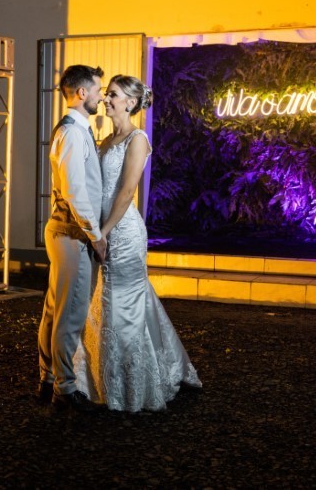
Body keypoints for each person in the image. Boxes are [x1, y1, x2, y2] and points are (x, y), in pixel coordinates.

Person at [73, 75, 202, 412]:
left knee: (124, 307)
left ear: (130, 103)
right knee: (112, 302)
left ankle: (132, 387)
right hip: (101, 230)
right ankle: (108, 377)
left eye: (113, 95)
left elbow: (127, 191)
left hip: (124, 232)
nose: (106, 99)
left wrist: (103, 233)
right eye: (107, 94)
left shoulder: (137, 139)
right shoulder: (104, 140)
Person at [37, 65, 107, 411]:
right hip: (72, 234)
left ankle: (48, 378)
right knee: (69, 313)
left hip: (66, 232)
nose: (101, 96)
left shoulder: (75, 131)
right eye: (98, 90)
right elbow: (75, 191)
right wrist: (95, 236)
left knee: (56, 308)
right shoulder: (72, 133)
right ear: (82, 93)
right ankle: (64, 390)